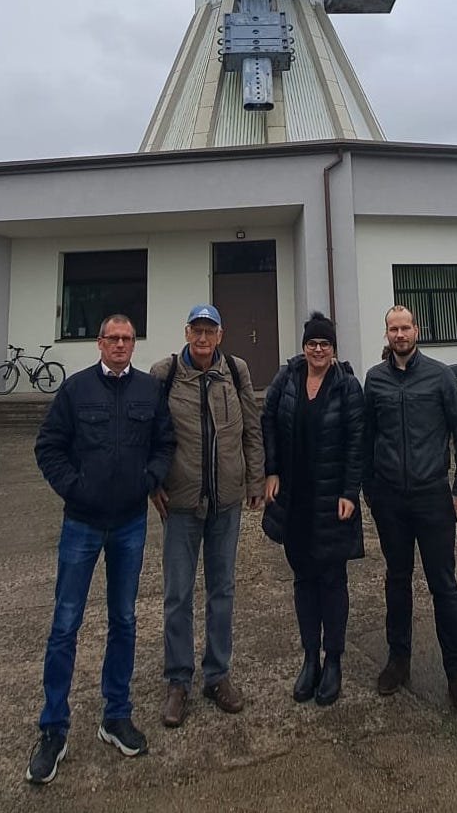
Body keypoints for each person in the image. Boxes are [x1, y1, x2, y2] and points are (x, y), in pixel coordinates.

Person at [27, 314, 174, 785]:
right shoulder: (75, 390)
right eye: (111, 338)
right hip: (82, 525)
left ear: (134, 344)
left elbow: (164, 444)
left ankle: (116, 715)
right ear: (98, 343)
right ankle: (53, 729)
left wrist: (147, 480)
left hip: (130, 523)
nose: (119, 344)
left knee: (124, 620)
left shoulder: (148, 392)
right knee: (65, 623)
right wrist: (75, 487)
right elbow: (48, 446)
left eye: (127, 338)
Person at [149, 304, 263, 726]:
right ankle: (177, 680)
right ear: (186, 332)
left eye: (209, 331)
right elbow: (149, 433)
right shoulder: (164, 374)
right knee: (177, 593)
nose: (201, 338)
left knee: (223, 590)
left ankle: (217, 675)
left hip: (227, 501)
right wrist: (151, 482)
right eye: (195, 330)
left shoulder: (235, 370)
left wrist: (255, 480)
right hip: (180, 503)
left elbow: (252, 426)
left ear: (220, 334)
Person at [362, 303, 457, 714]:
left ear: (417, 330)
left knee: (443, 584)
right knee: (396, 580)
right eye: (392, 328)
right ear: (387, 334)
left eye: (405, 327)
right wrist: (370, 490)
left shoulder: (440, 377)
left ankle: (456, 673)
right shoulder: (374, 380)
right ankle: (398, 660)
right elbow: (366, 439)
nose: (399, 334)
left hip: (433, 497)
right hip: (390, 499)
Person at [261, 312, 365, 706]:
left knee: (332, 581)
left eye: (324, 344)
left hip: (332, 502)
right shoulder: (286, 378)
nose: (317, 350)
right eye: (312, 343)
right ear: (304, 346)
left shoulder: (348, 387)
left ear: (333, 349)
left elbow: (357, 440)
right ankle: (309, 659)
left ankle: (333, 659)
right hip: (296, 503)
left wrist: (349, 492)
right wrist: (271, 469)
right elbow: (267, 419)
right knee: (303, 580)